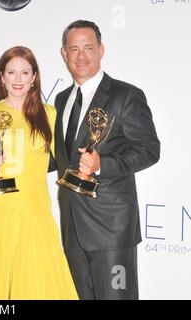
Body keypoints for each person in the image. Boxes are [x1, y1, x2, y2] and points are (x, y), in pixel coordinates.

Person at [0, 46, 78, 300]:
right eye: (11, 72)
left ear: (34, 76)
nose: (18, 79)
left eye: (25, 72)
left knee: (37, 280)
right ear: (2, 76)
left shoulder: (49, 113)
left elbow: (64, 159)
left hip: (34, 207)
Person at [53, 20, 160, 299]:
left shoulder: (126, 95)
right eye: (73, 48)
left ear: (101, 50)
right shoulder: (61, 100)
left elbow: (149, 149)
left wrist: (103, 164)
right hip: (72, 230)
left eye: (88, 47)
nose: (81, 56)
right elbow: (58, 157)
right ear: (64, 53)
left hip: (111, 231)